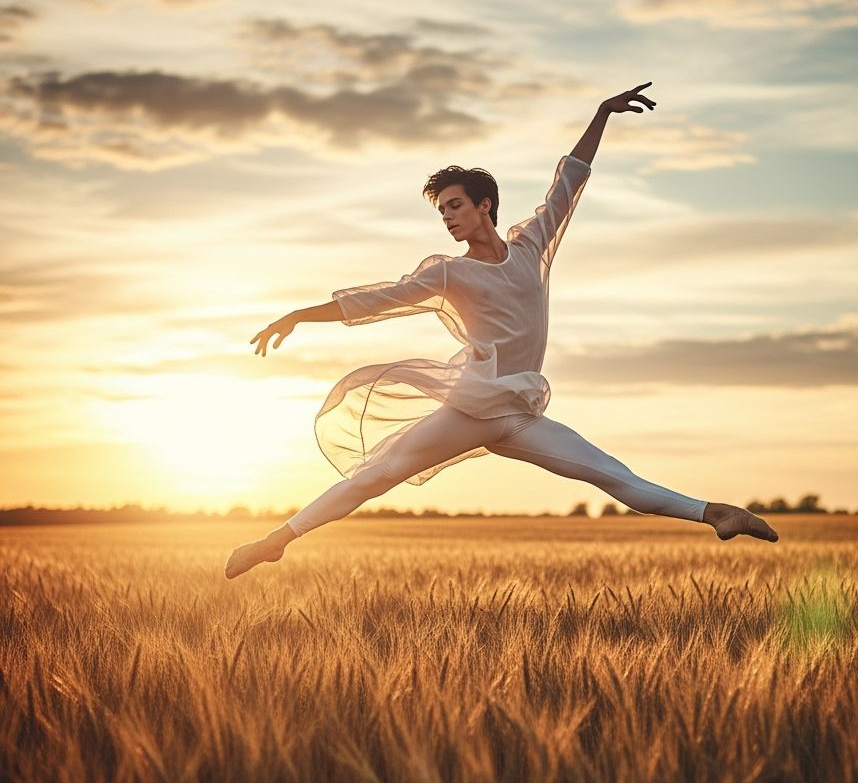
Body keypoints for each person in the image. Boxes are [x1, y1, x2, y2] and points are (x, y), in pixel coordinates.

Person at [225, 82, 778, 579]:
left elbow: (567, 183)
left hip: (517, 412)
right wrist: (298, 315)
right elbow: (374, 300)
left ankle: (717, 514)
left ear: (484, 204)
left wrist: (602, 115)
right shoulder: (448, 271)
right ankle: (275, 541)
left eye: (456, 205)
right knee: (379, 474)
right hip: (470, 406)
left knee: (610, 474)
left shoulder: (530, 247)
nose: (448, 216)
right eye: (442, 210)